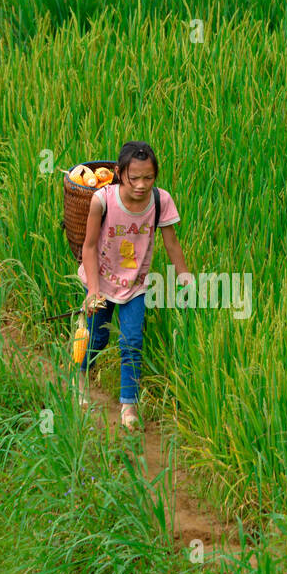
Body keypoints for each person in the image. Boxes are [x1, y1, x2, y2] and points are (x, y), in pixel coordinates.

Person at [76, 140, 192, 430]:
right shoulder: (102, 200)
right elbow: (88, 247)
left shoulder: (160, 200)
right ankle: (80, 376)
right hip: (100, 282)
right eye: (134, 177)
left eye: (148, 177)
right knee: (97, 339)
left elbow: (172, 243)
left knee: (132, 341)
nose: (141, 184)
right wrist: (92, 290)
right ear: (119, 173)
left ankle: (129, 405)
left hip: (136, 286)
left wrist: (184, 276)